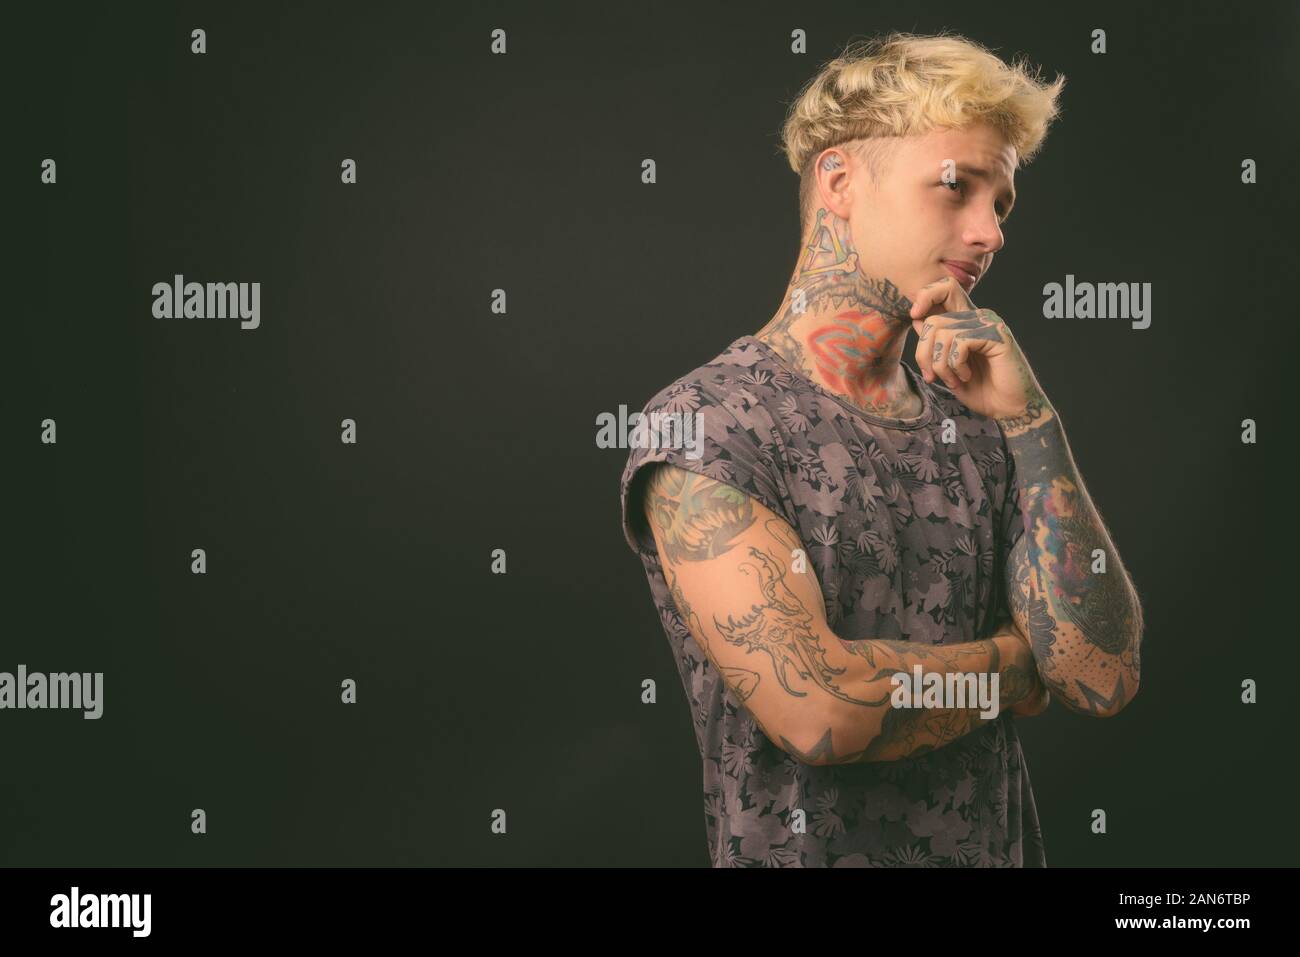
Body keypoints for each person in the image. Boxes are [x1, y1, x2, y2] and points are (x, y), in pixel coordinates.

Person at [617, 32, 1144, 867]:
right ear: (839, 182)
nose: (990, 232)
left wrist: (1033, 422)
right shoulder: (710, 423)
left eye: (1001, 203)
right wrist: (1014, 665)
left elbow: (1099, 672)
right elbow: (824, 711)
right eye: (956, 186)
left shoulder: (980, 419)